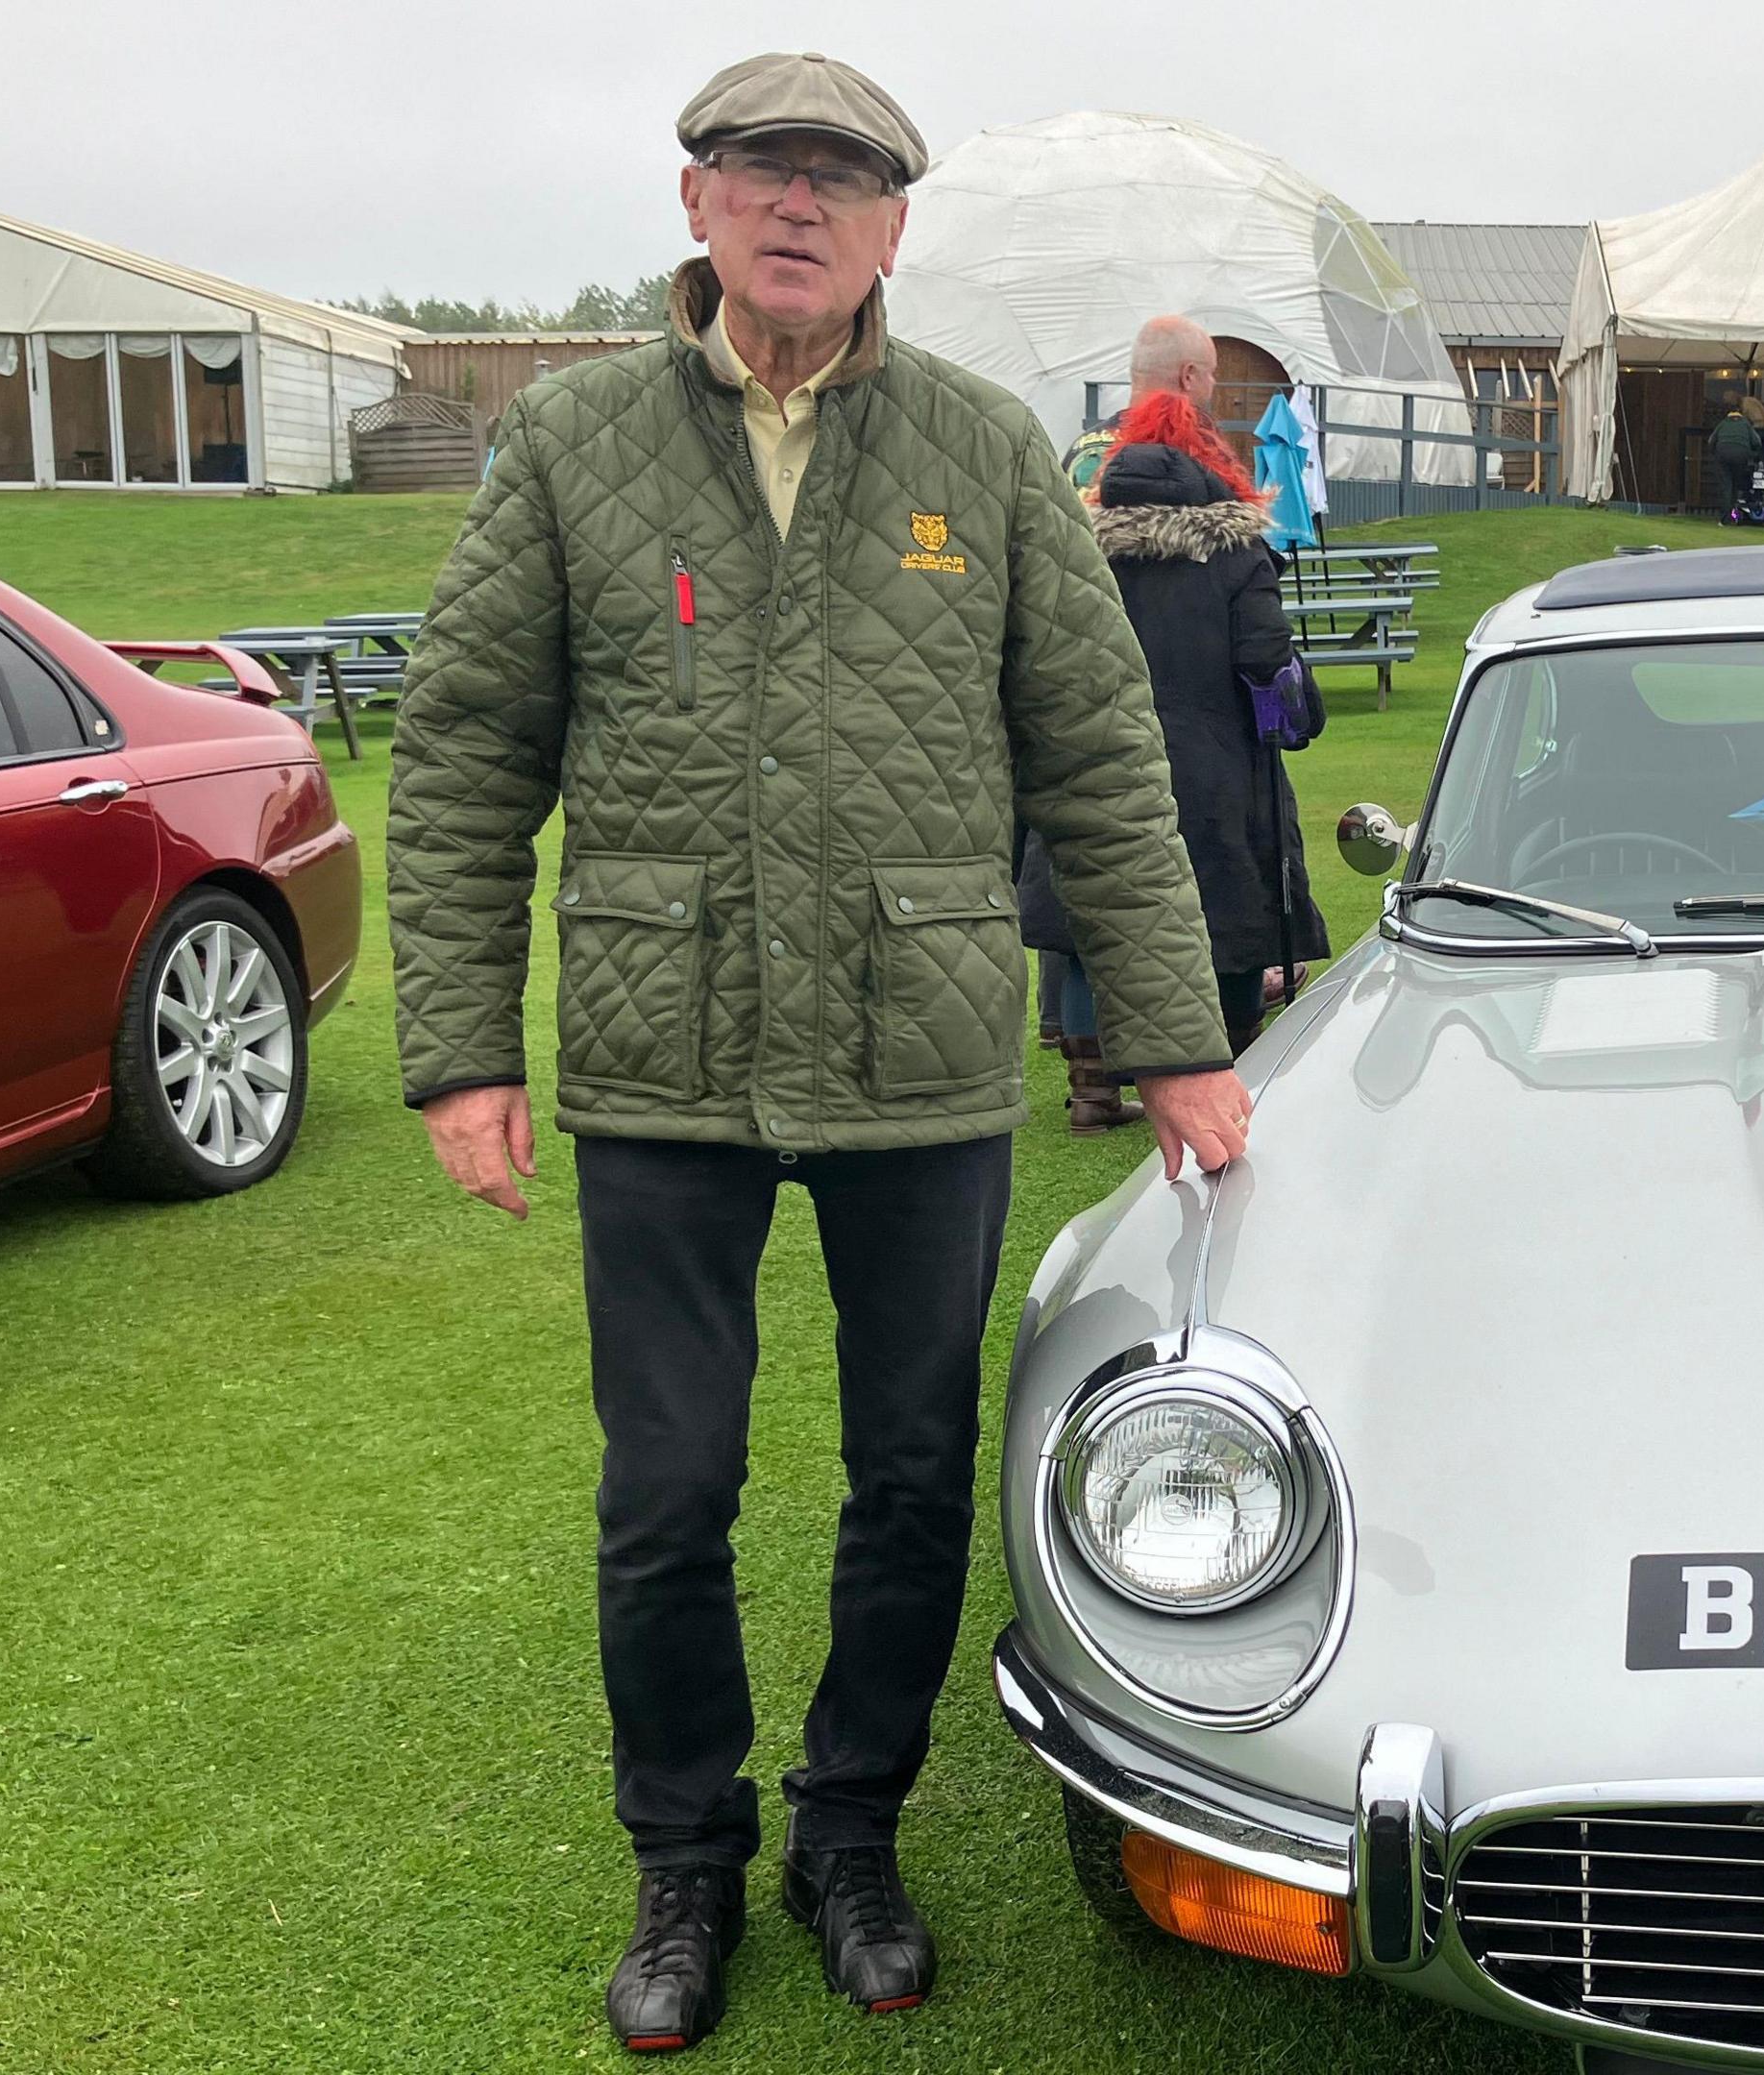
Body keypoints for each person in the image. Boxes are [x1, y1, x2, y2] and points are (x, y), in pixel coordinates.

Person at [385, 50, 1247, 2051]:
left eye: (841, 178)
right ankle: (681, 1862)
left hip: (921, 1043)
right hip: (657, 1045)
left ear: (893, 229)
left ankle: (850, 1832)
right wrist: (458, 1052)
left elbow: (1104, 761)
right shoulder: (576, 443)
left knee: (911, 1474)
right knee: (668, 1488)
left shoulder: (979, 449)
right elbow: (462, 751)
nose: (799, 203)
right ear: (696, 204)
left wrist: (1184, 1041)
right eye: (762, 170)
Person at [1021, 363, 1327, 1103]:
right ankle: (1236, 1059)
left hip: (1097, 753)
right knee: (1228, 908)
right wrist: (1292, 717)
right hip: (1216, 762)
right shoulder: (1235, 555)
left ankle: (1092, 1091)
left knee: (1091, 919)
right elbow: (1265, 662)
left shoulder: (1077, 550)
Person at [1710, 399, 1763, 521]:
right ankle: (1735, 516)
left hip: (1722, 455)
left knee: (1726, 486)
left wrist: (1715, 453)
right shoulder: (1745, 424)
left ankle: (1725, 518)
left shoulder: (1723, 423)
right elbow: (1757, 442)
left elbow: (1711, 441)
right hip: (1741, 456)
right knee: (1735, 486)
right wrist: (1752, 453)